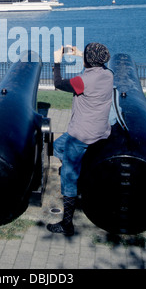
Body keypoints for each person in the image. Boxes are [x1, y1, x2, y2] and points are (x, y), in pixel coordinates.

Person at [47, 42, 113, 236]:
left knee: (68, 176)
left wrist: (57, 62)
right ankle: (78, 173)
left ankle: (67, 224)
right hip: (99, 129)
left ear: (88, 61)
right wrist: (80, 54)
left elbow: (58, 84)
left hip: (81, 134)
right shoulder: (108, 75)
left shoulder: (83, 81)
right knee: (57, 147)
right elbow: (96, 62)